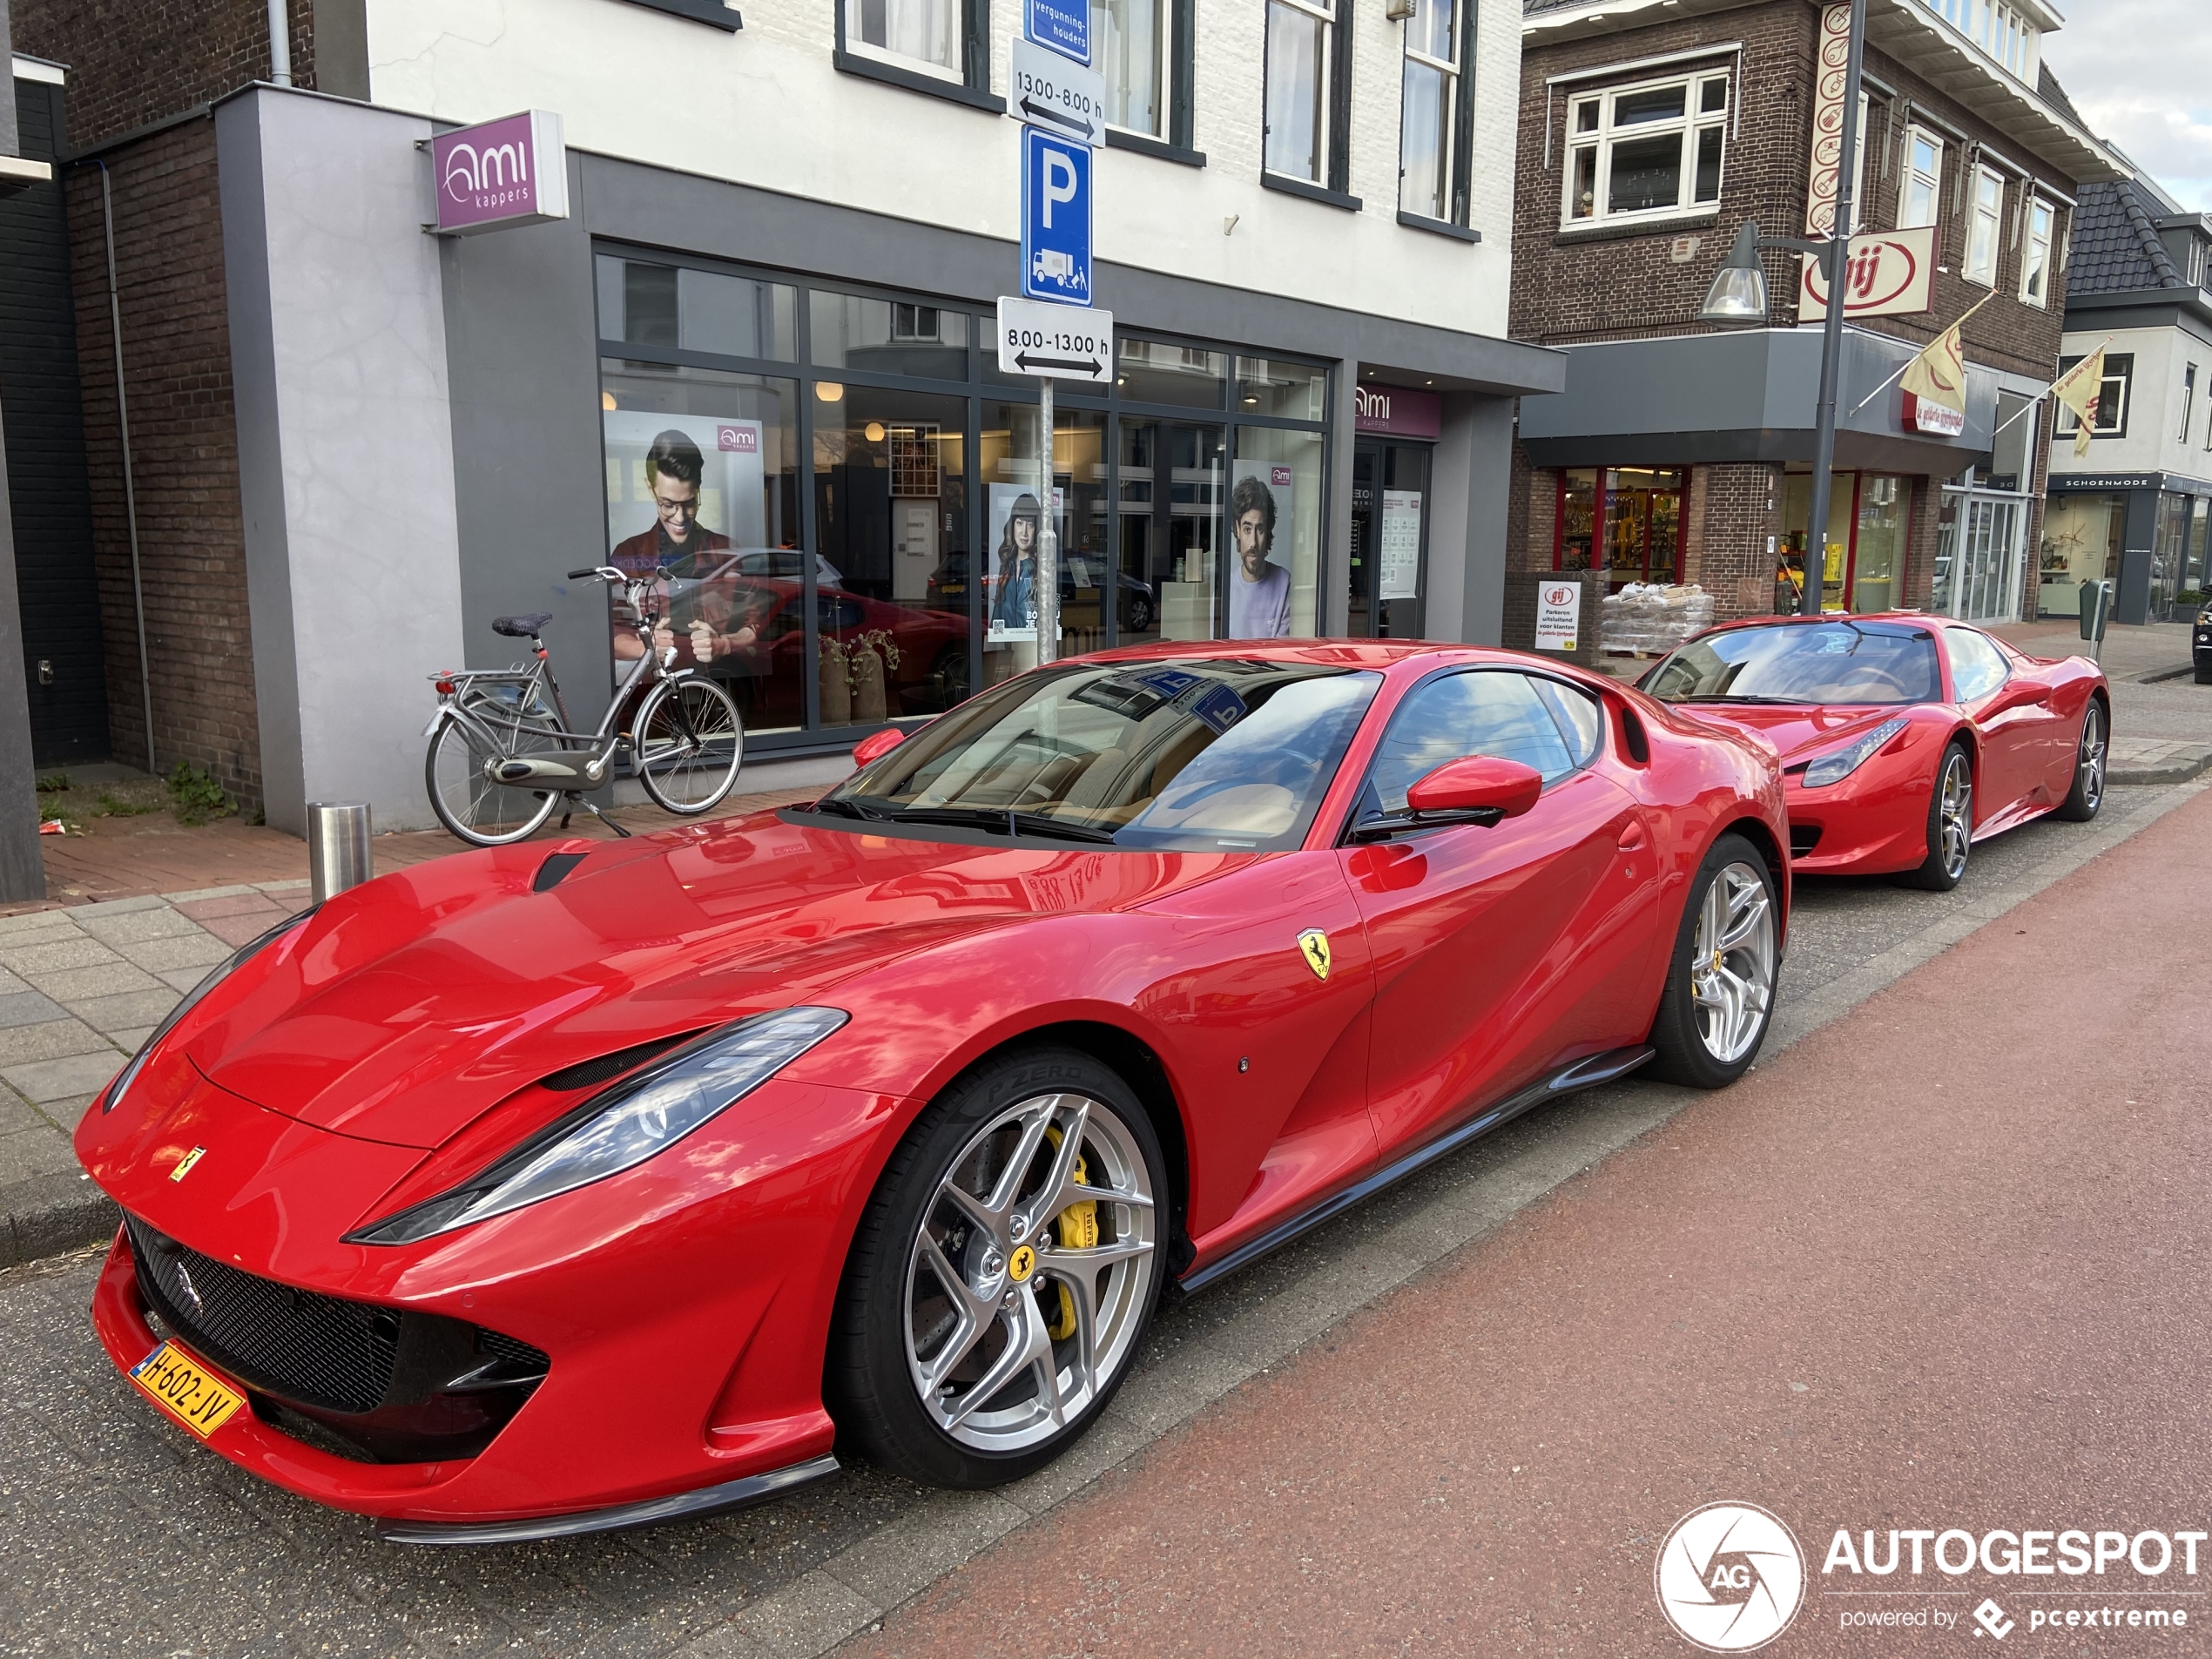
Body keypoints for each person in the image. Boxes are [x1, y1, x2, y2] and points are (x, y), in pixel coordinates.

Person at [609, 429, 759, 669]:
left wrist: (724, 644)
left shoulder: (725, 551)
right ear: (650, 488)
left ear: (699, 488)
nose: (680, 518)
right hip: (655, 689)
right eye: (668, 504)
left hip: (718, 683)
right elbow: (608, 632)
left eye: (689, 503)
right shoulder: (629, 554)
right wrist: (645, 648)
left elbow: (755, 624)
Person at [1227, 474, 1291, 638]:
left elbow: (1282, 653)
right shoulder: (1225, 588)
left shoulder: (1284, 583)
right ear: (1237, 529)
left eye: (1260, 530)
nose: (1253, 543)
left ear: (1268, 532)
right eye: (1247, 529)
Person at [991, 493, 1042, 631]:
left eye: (1030, 525)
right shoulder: (1007, 568)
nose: (1024, 532)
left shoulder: (1041, 570)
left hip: (1033, 646)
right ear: (1012, 526)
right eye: (1020, 523)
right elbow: (998, 615)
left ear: (1036, 530)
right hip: (1007, 647)